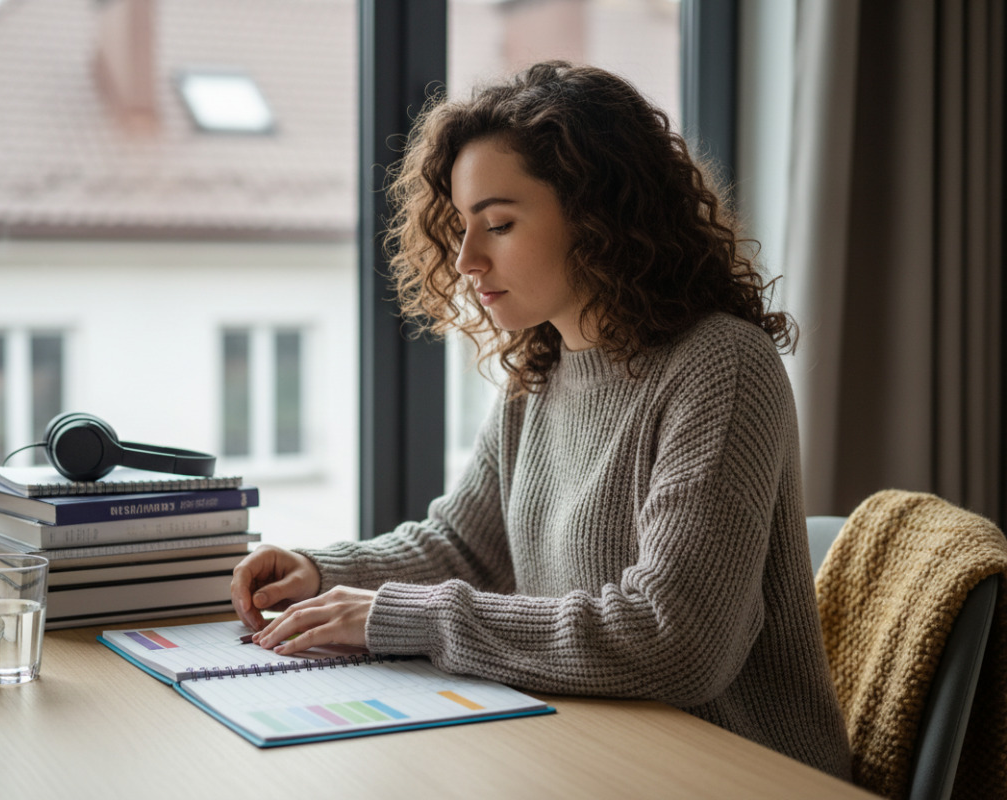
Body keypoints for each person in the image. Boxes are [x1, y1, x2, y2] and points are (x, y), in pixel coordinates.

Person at [230, 61, 851, 780]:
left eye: (498, 223)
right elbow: (466, 546)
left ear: (599, 216)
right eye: (460, 226)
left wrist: (398, 616)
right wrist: (322, 572)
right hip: (592, 755)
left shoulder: (720, 366)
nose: (465, 258)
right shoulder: (545, 369)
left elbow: (673, 639)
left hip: (735, 773)